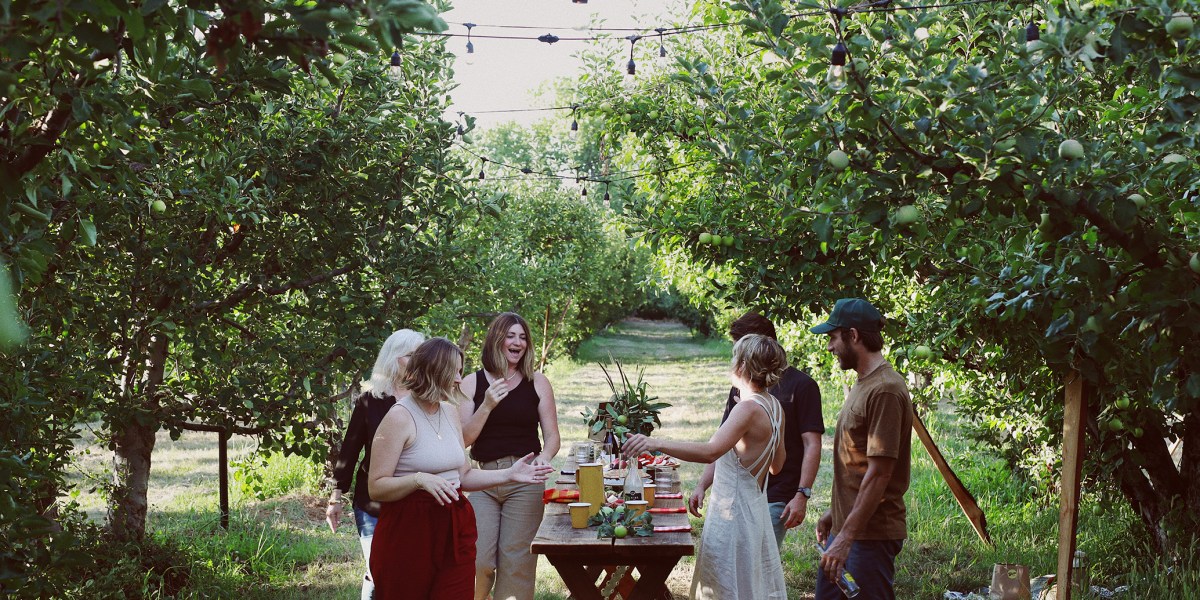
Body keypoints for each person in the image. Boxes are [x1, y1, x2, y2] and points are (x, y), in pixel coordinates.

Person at [367, 337, 553, 600]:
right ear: (434, 372)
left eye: (460, 372)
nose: (458, 379)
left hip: (454, 526)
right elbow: (376, 487)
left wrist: (510, 474)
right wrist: (418, 480)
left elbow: (463, 475)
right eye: (453, 371)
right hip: (410, 529)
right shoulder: (398, 417)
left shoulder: (449, 411)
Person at [623, 334, 788, 600]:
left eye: (735, 357)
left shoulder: (747, 409)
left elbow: (711, 451)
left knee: (725, 585)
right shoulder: (774, 406)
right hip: (753, 511)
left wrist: (656, 442)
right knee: (749, 584)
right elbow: (776, 466)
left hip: (732, 515)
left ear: (743, 367)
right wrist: (703, 484)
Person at [690, 311, 824, 549]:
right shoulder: (742, 388)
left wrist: (801, 495)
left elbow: (811, 444)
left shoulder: (803, 386)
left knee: (759, 564)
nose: (737, 360)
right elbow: (722, 441)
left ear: (761, 346)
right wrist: (702, 485)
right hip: (739, 498)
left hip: (776, 496)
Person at [810, 298, 913, 600]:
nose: (829, 346)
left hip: (869, 536)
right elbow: (858, 461)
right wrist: (836, 513)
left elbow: (880, 475)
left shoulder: (885, 390)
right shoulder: (864, 382)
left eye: (833, 337)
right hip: (848, 529)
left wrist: (846, 537)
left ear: (853, 336)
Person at [458, 312, 561, 600]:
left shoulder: (537, 382)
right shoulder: (471, 383)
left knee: (517, 563)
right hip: (483, 479)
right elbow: (463, 440)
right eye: (511, 336)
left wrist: (545, 457)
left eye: (523, 337)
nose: (518, 342)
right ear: (496, 340)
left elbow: (552, 437)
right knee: (478, 562)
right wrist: (487, 405)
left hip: (525, 480)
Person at [327, 329, 425, 600]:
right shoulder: (370, 399)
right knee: (378, 568)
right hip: (371, 501)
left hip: (414, 500)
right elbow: (350, 450)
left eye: (422, 355)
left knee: (406, 571)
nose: (419, 361)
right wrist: (336, 498)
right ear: (395, 359)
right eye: (412, 355)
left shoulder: (428, 400)